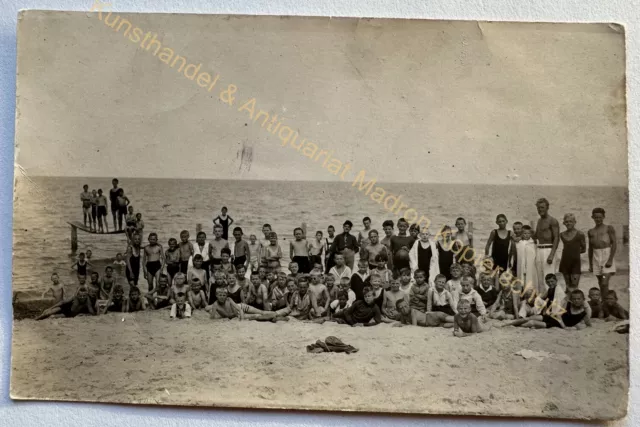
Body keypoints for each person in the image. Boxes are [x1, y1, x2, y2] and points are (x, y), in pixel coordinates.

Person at [503, 289, 591, 329]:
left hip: (555, 325)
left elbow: (587, 323)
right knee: (528, 318)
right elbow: (558, 315)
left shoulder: (584, 311)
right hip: (554, 319)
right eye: (574, 299)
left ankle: (515, 327)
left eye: (579, 299)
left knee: (531, 322)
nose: (576, 301)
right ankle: (507, 325)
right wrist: (564, 326)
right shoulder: (568, 304)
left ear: (583, 300)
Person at [588, 207, 617, 298]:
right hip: (596, 257)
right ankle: (606, 302)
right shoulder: (590, 231)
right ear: (592, 217)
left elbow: (614, 243)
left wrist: (610, 259)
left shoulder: (608, 228)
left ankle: (605, 302)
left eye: (600, 217)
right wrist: (590, 264)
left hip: (606, 256)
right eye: (596, 217)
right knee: (601, 283)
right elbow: (590, 248)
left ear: (603, 217)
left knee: (604, 283)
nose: (598, 219)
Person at [534, 198, 560, 295]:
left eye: (542, 207)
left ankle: (553, 300)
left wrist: (551, 255)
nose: (540, 209)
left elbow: (557, 238)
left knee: (550, 278)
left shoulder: (553, 221)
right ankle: (544, 301)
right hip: (539, 250)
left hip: (548, 250)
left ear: (547, 208)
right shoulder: (539, 221)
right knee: (540, 278)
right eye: (538, 208)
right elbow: (535, 236)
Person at [556, 213, 587, 292]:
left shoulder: (580, 234)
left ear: (574, 222)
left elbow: (584, 249)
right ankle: (568, 304)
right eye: (566, 222)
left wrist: (574, 253)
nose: (568, 223)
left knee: (574, 287)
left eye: (570, 221)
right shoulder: (561, 235)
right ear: (564, 223)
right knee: (567, 287)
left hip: (575, 263)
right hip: (565, 262)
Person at [511, 224, 537, 294]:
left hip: (530, 266)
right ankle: (522, 294)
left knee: (530, 280)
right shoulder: (519, 243)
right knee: (521, 280)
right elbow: (516, 255)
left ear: (531, 234)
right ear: (522, 234)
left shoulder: (533, 243)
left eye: (528, 233)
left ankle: (530, 294)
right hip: (521, 265)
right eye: (525, 233)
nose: (526, 235)